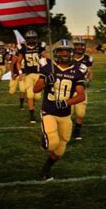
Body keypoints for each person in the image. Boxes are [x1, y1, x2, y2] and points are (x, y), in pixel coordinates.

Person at [33, 39, 86, 180]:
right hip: (49, 111)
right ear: (55, 53)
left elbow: (81, 95)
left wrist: (66, 103)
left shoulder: (78, 70)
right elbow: (35, 89)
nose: (64, 54)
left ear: (72, 53)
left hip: (65, 115)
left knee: (60, 149)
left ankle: (46, 170)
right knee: (52, 144)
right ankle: (45, 139)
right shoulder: (48, 67)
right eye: (61, 51)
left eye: (68, 51)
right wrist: (45, 81)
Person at [17, 30, 46, 123]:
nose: (32, 40)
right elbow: (18, 62)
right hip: (28, 74)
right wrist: (20, 72)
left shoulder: (40, 47)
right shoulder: (22, 48)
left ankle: (33, 104)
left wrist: (46, 70)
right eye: (30, 38)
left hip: (38, 74)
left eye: (34, 38)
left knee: (37, 97)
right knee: (29, 94)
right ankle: (32, 115)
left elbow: (45, 59)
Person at [71, 36, 93, 140]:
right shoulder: (68, 57)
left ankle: (77, 130)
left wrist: (89, 80)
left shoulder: (87, 58)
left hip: (81, 88)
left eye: (81, 45)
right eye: (77, 45)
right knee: (67, 112)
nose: (79, 47)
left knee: (81, 112)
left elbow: (89, 72)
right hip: (68, 88)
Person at [9, 43, 26, 110]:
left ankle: (21, 104)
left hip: (23, 74)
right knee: (11, 92)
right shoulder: (16, 55)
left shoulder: (28, 54)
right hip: (16, 74)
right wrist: (12, 73)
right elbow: (12, 65)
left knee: (22, 89)